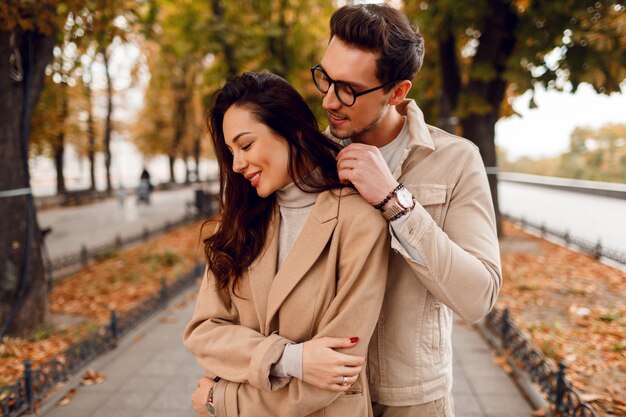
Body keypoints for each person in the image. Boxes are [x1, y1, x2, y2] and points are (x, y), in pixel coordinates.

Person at [310, 4, 502, 417]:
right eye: (325, 78)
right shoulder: (306, 161)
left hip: (414, 399)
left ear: (397, 92)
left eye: (348, 89)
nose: (329, 99)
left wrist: (397, 203)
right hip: (322, 396)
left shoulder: (456, 160)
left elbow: (479, 297)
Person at [183, 72, 390, 417]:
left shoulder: (358, 222)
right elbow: (203, 333)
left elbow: (338, 368)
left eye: (246, 145)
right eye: (230, 152)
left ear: (292, 130)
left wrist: (221, 400)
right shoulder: (236, 224)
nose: (236, 165)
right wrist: (291, 358)